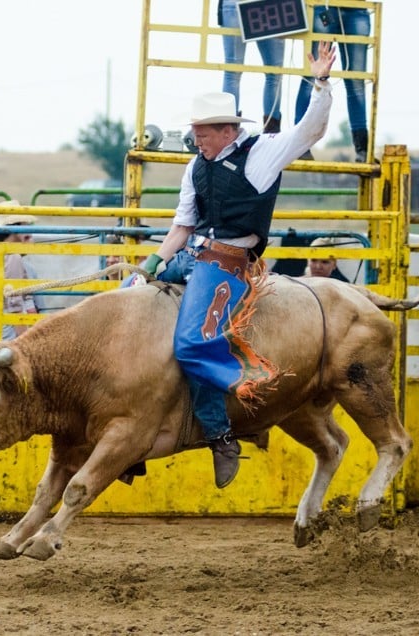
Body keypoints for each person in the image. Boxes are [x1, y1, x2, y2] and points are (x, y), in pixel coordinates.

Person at [141, 42, 335, 489]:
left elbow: (309, 131)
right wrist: (150, 263)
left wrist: (320, 84)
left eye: (203, 131)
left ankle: (248, 393)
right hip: (192, 256)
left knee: (192, 344)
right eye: (195, 131)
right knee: (128, 297)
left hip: (227, 264)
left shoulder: (262, 153)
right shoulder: (196, 166)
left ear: (228, 130)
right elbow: (182, 227)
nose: (197, 137)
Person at [294, 5, 371, 161]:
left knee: (356, 81)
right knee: (311, 75)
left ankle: (362, 149)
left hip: (357, 8)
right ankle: (299, 145)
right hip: (325, 6)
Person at [218, 0, 286, 133]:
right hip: (269, 5)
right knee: (274, 74)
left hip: (234, 4)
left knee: (232, 73)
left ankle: (228, 132)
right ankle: (272, 133)